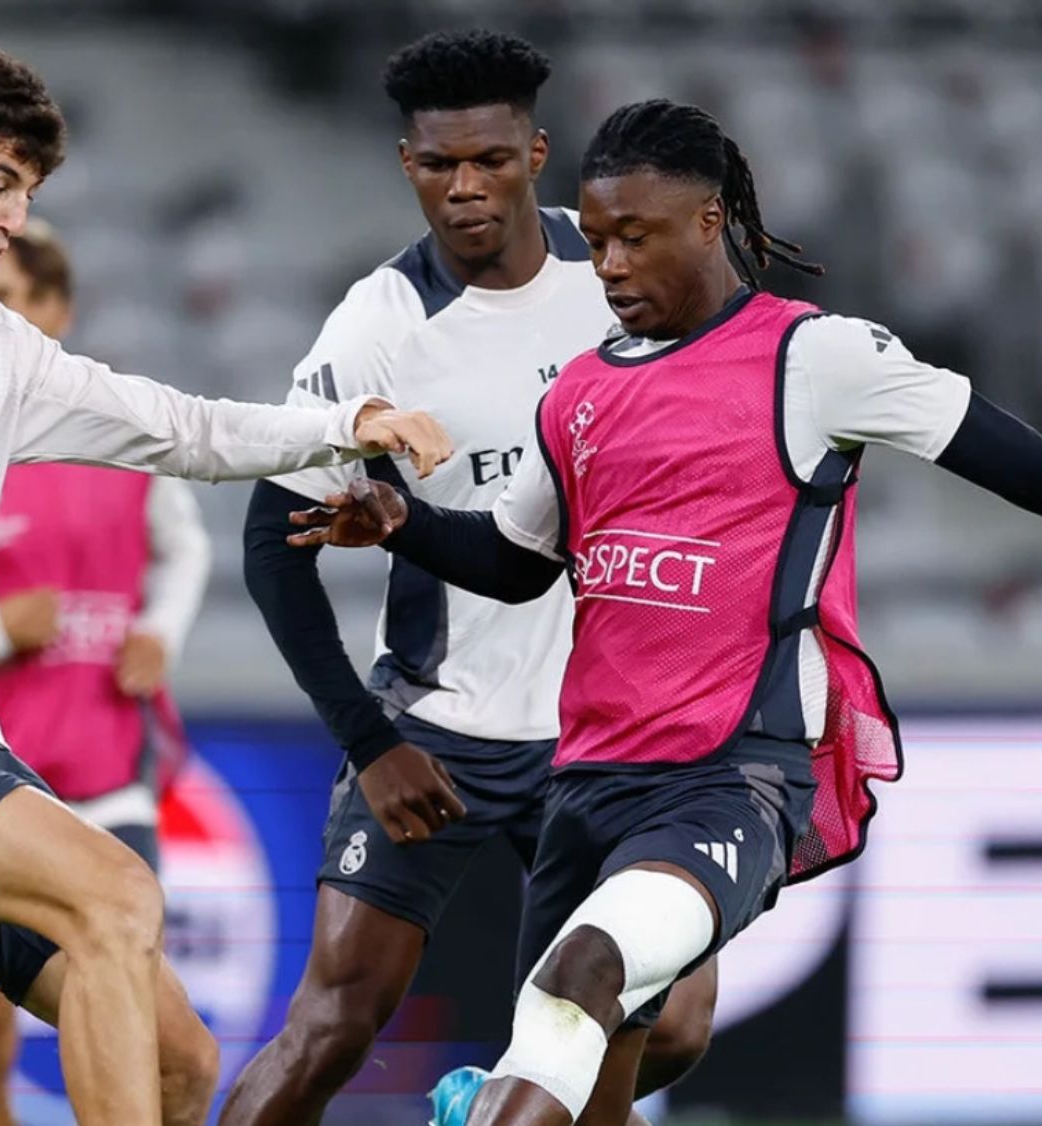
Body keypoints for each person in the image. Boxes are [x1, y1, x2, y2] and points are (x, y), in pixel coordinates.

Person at [288, 98, 1042, 1126]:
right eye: (595, 243)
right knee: (573, 1069)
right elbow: (509, 562)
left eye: (636, 237)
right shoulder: (580, 392)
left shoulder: (817, 360)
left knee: (579, 973)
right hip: (582, 784)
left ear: (711, 220)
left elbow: (1029, 467)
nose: (613, 266)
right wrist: (400, 522)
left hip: (728, 780)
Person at [0, 46, 449, 1126]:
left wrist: (342, 426)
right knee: (118, 894)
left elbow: (175, 426)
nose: (13, 218)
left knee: (180, 1060)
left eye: (29, 194)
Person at [220, 32, 713, 1126]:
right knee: (332, 1025)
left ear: (536, 154)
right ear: (407, 164)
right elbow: (271, 541)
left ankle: (485, 1104)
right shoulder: (379, 327)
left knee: (667, 1026)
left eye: (489, 159)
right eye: (439, 165)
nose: (465, 187)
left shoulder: (621, 277)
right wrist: (370, 739)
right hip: (441, 726)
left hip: (613, 735)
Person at [0, 218, 213, 1125]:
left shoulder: (114, 430)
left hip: (106, 775)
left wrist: (159, 631)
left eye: (13, 302)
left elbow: (185, 547)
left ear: (57, 310)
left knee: (147, 1034)